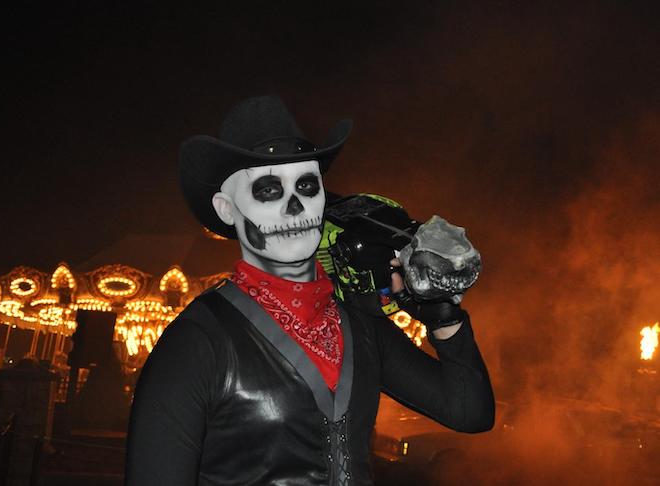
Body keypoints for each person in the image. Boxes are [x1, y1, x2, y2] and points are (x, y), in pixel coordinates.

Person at [125, 95, 494, 485]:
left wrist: (444, 318)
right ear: (227, 209)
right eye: (269, 190)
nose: (295, 207)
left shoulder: (358, 327)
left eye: (306, 185)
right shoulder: (198, 342)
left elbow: (469, 412)